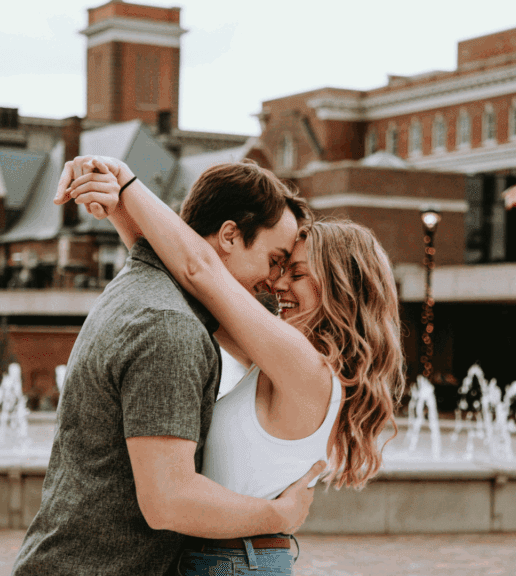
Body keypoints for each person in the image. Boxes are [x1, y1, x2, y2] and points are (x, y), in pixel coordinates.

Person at [63, 156, 406, 575]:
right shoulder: (286, 357)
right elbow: (182, 283)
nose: (278, 283)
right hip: (232, 558)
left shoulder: (305, 367)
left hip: (233, 561)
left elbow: (200, 269)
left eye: (295, 272)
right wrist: (118, 209)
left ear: (339, 287)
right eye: (280, 266)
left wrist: (127, 182)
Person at [12, 161, 323, 576]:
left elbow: (201, 273)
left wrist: (124, 203)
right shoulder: (169, 326)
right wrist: (280, 516)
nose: (274, 279)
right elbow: (169, 500)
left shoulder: (140, 288)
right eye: (275, 259)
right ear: (230, 235)